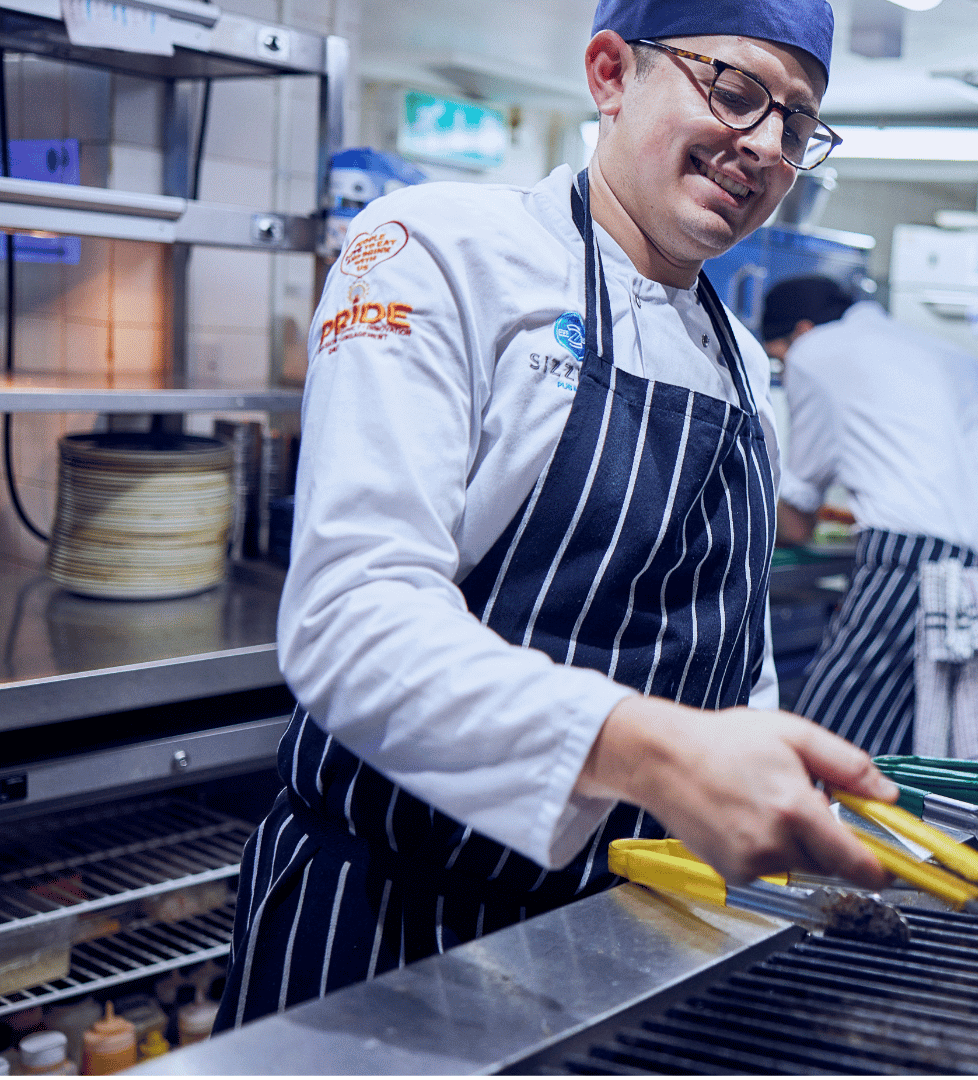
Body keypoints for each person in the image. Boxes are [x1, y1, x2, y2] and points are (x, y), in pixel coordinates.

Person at [216, 0, 901, 1030]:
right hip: (388, 922)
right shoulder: (438, 250)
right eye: (736, 91)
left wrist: (764, 790)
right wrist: (658, 755)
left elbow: (731, 659)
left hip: (624, 935)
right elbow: (352, 616)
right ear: (611, 74)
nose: (765, 143)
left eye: (796, 124)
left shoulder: (748, 368)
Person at [764, 275, 978, 759]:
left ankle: (812, 838)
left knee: (824, 747)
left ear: (801, 332)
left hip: (911, 569)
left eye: (778, 357)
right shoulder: (950, 354)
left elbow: (797, 518)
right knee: (922, 756)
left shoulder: (815, 352)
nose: (784, 368)